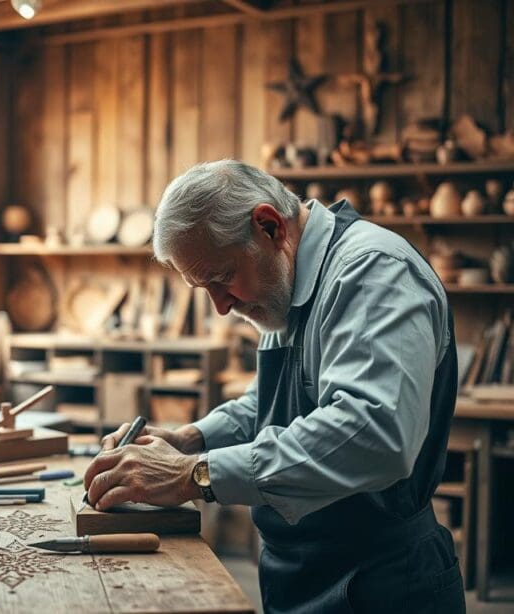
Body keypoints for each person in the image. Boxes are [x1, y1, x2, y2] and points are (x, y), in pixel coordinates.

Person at [83, 160, 465, 613]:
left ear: (268, 226)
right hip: (303, 571)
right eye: (203, 288)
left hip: (379, 581)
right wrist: (192, 438)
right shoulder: (283, 279)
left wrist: (194, 474)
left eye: (222, 278)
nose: (221, 307)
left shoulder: (372, 272)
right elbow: (276, 400)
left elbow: (373, 435)